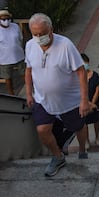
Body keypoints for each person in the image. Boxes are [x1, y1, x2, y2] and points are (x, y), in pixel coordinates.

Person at [25, 13, 91, 177]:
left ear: (51, 30)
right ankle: (58, 156)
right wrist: (28, 93)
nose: (39, 38)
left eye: (42, 33)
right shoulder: (30, 45)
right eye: (35, 34)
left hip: (69, 102)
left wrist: (84, 100)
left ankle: (82, 149)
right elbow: (28, 70)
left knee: (79, 127)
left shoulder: (65, 45)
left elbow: (81, 72)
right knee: (42, 130)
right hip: (43, 100)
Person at [0, 9, 25, 95]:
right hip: (5, 59)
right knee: (8, 78)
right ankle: (11, 94)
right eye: (3, 19)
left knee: (25, 74)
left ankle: (30, 91)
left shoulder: (15, 26)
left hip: (19, 56)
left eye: (8, 19)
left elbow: (21, 39)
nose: (6, 21)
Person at [81, 53, 99, 147]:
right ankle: (87, 141)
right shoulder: (77, 77)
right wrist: (88, 103)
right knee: (84, 123)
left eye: (85, 63)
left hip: (95, 103)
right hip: (83, 103)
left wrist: (93, 103)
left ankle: (97, 137)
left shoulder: (95, 76)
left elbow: (97, 90)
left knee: (96, 121)